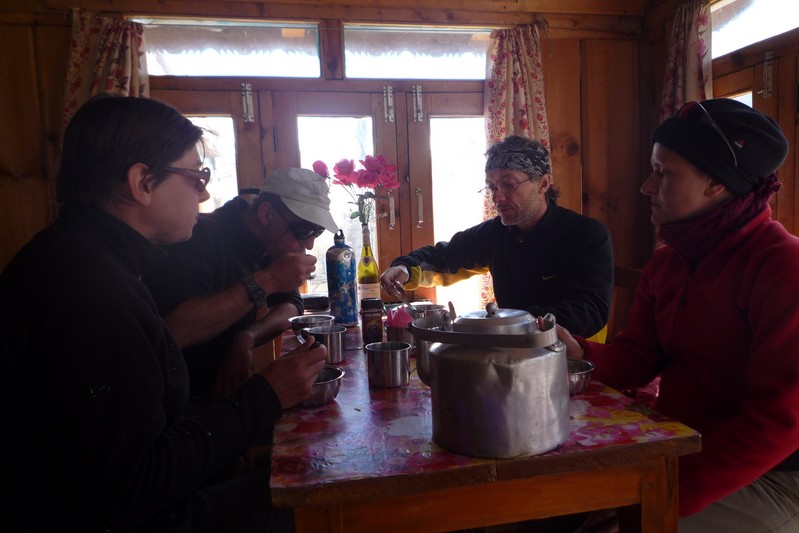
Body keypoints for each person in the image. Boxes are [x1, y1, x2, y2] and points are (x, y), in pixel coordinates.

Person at [0, 94, 328, 532]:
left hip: (125, 493)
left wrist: (224, 439)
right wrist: (264, 396)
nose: (205, 193)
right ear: (142, 182)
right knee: (319, 488)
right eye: (196, 177)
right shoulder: (86, 290)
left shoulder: (81, 257)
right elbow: (129, 490)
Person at [556, 98, 799, 531]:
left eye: (663, 173)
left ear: (717, 183)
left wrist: (662, 494)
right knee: (564, 504)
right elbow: (639, 356)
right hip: (683, 444)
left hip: (775, 474)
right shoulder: (670, 262)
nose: (646, 187)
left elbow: (780, 422)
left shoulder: (783, 266)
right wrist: (578, 353)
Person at [380, 135, 613, 341]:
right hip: (512, 347)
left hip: (574, 356)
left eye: (509, 185)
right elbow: (446, 256)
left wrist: (513, 323)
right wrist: (405, 267)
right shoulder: (495, 233)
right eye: (492, 187)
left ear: (543, 184)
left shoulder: (586, 234)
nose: (497, 198)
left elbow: (590, 311)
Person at [143, 168, 338, 411]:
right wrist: (268, 280)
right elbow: (172, 332)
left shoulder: (269, 244)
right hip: (176, 405)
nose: (308, 244)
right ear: (266, 213)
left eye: (316, 232)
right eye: (303, 231)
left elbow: (292, 303)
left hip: (225, 397)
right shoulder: (198, 237)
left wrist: (248, 336)